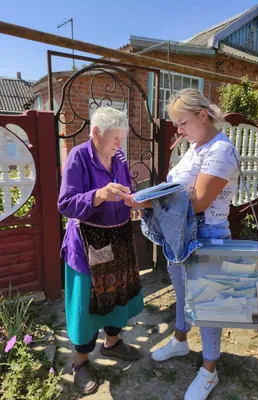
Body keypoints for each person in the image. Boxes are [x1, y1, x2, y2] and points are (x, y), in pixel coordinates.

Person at [126, 88, 239, 400]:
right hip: (181, 234)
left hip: (207, 236)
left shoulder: (221, 150)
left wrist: (148, 202)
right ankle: (180, 340)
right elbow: (177, 186)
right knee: (181, 293)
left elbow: (199, 201)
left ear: (203, 116)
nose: (178, 129)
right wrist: (145, 198)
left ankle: (209, 370)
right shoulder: (196, 146)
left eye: (182, 122)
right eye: (176, 123)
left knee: (207, 305)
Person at [58, 107, 144, 395]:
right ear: (95, 133)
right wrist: (98, 195)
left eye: (122, 137)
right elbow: (66, 204)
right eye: (115, 137)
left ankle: (112, 342)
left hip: (118, 238)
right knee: (87, 303)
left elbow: (126, 189)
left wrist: (136, 200)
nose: (120, 143)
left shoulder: (117, 158)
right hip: (88, 244)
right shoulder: (79, 157)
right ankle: (81, 361)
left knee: (117, 294)